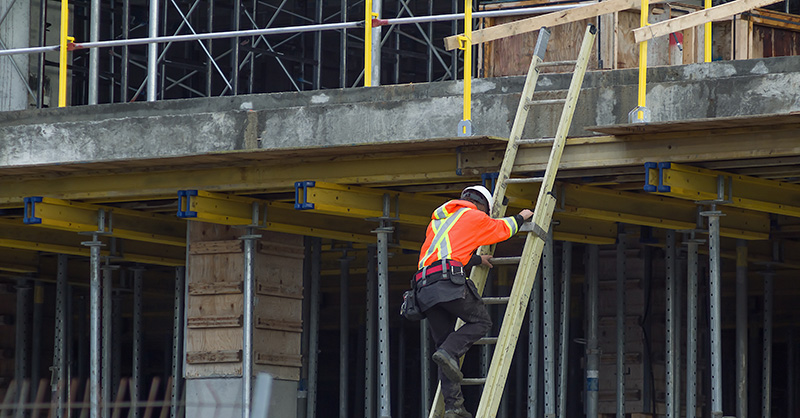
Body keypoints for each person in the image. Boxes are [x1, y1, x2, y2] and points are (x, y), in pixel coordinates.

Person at [415, 185, 533, 418]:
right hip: (447, 283)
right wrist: (521, 217)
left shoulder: (439, 222)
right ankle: (448, 351)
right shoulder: (474, 215)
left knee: (444, 350)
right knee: (480, 323)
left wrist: (478, 260)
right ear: (482, 205)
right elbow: (502, 229)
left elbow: (447, 252)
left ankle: (454, 407)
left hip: (424, 288)